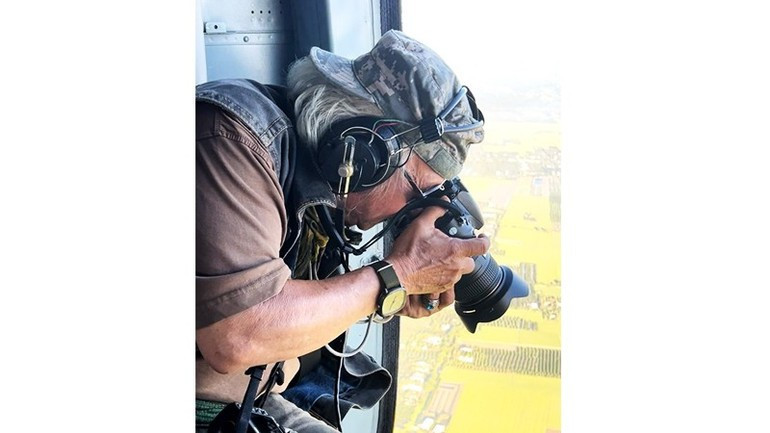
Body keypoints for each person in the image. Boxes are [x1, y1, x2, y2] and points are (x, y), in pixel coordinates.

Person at [196, 30, 488, 432]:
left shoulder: (333, 188)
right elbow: (239, 336)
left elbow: (293, 313)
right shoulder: (233, 137)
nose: (410, 211)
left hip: (251, 396)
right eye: (416, 190)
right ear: (364, 153)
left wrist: (386, 296)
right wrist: (393, 276)